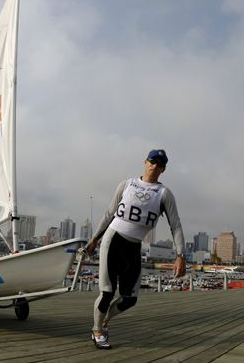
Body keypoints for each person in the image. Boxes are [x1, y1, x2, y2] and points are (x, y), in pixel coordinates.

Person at [86, 149, 186, 350]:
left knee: (129, 299)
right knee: (107, 292)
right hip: (113, 240)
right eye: (152, 161)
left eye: (159, 164)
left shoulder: (164, 194)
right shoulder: (126, 184)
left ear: (163, 169)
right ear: (145, 162)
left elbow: (175, 225)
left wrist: (180, 256)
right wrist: (95, 238)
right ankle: (98, 330)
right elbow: (109, 213)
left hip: (134, 247)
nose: (154, 166)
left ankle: (105, 318)